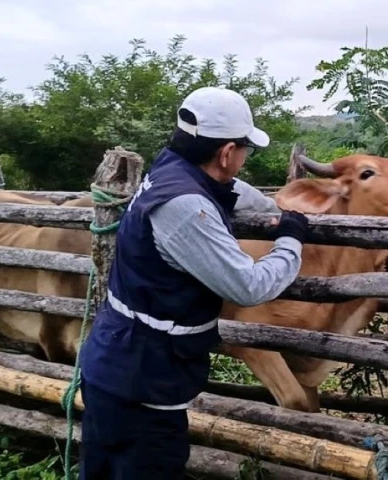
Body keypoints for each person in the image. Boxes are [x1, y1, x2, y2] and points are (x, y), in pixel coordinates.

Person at [76, 86, 308, 479]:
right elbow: (248, 286)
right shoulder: (185, 208)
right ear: (226, 153)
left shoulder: (171, 168)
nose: (245, 159)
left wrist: (274, 209)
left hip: (118, 368)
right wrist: (291, 240)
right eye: (245, 150)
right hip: (144, 383)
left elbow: (228, 189)